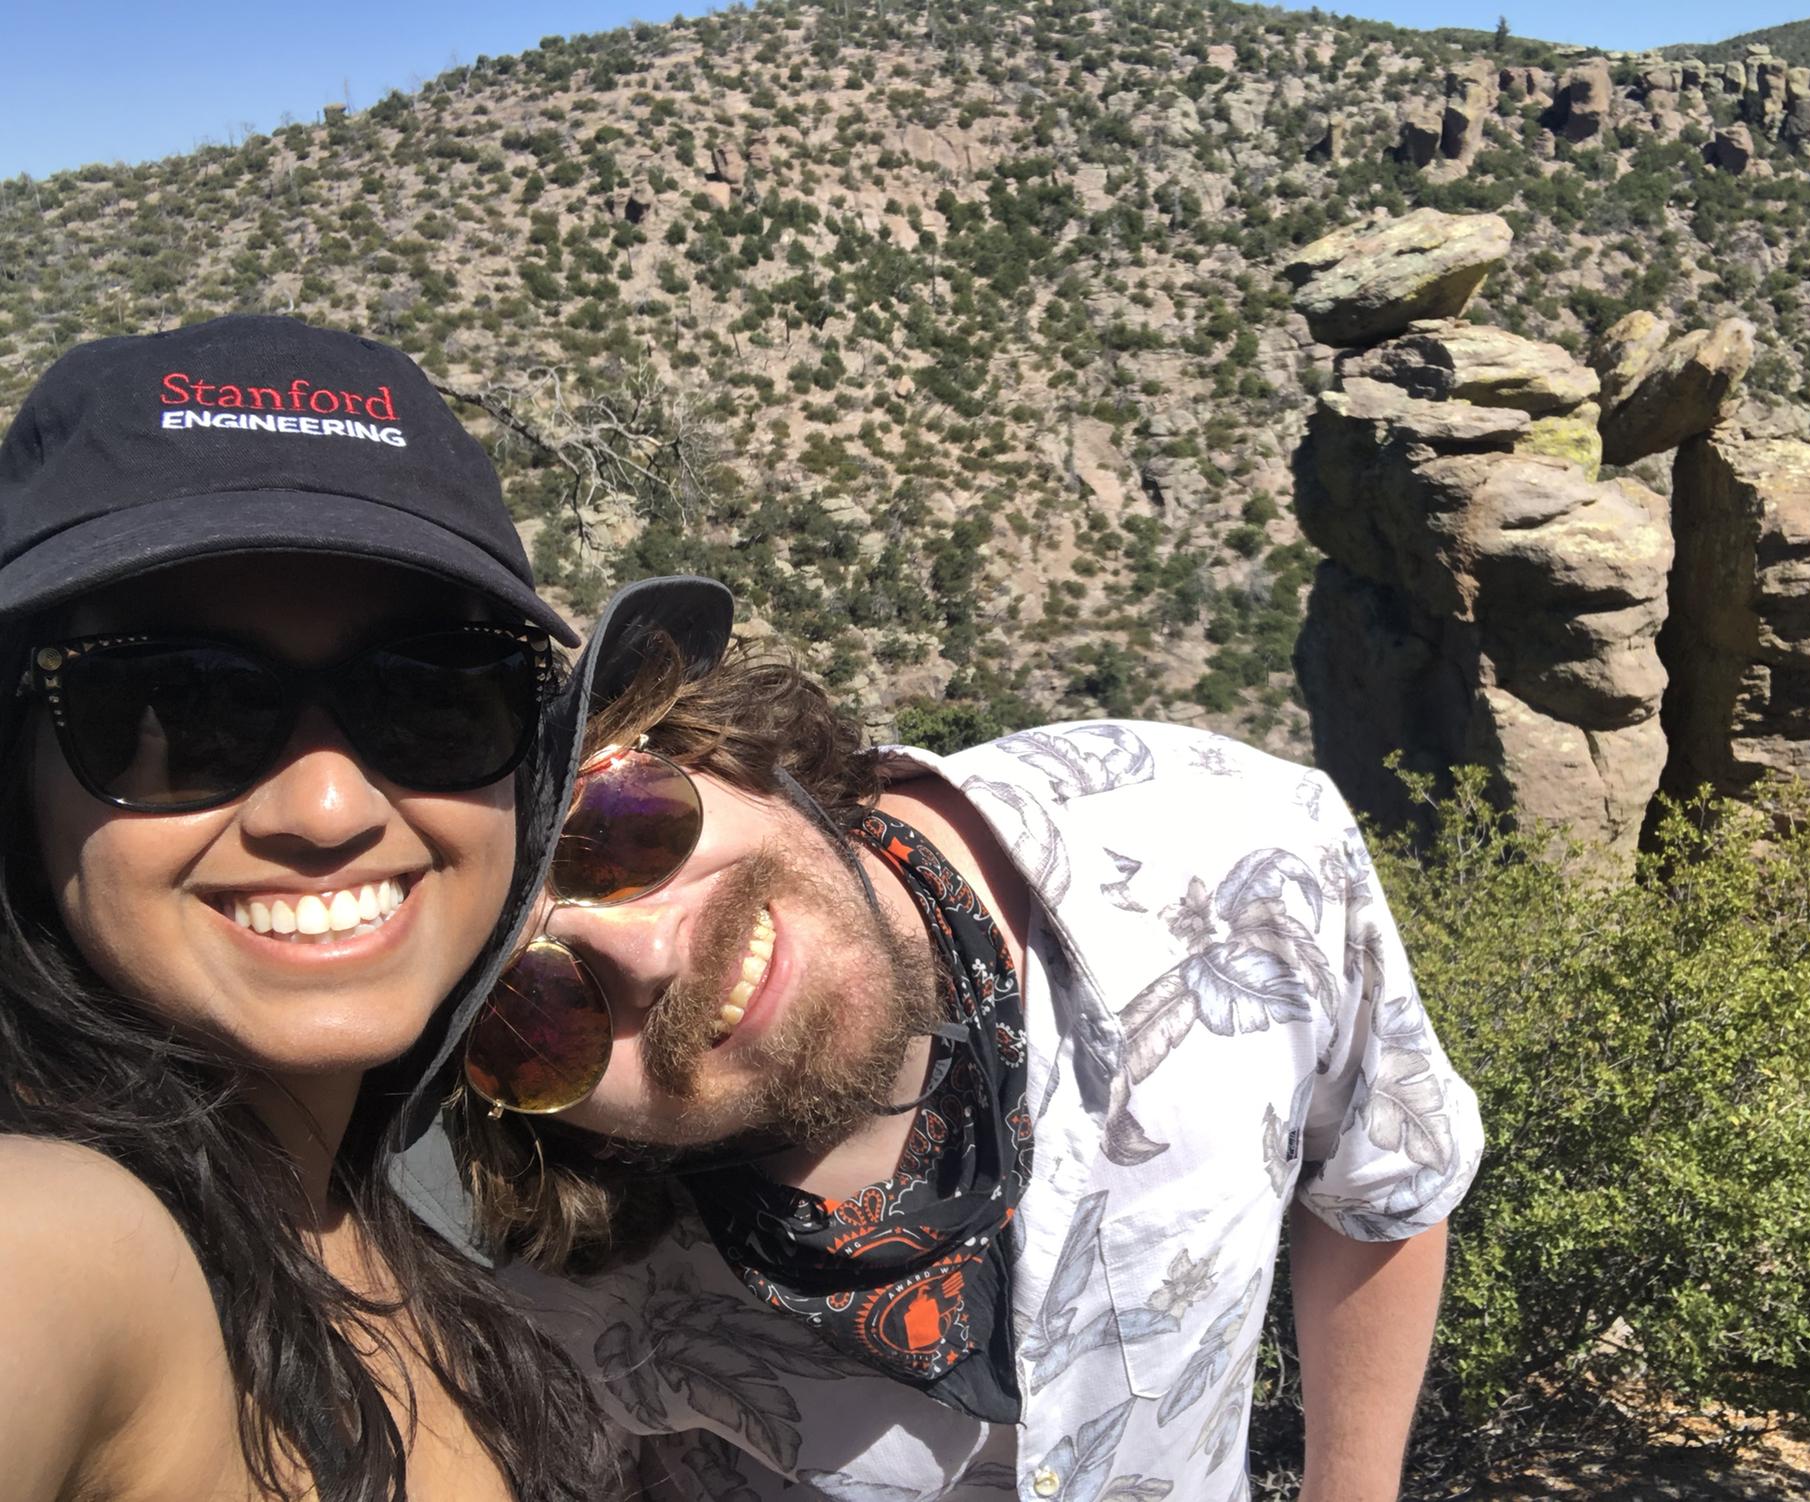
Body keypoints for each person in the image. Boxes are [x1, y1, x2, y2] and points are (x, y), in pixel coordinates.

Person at [404, 577, 1484, 1501]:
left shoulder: (1227, 845)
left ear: (702, 742)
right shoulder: (549, 1282)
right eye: (522, 1006)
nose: (645, 954)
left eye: (617, 825)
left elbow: (1381, 1178)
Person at [0, 314, 620, 1501]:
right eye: (179, 707)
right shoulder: (70, 1243)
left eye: (435, 693)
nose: (329, 805)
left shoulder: (401, 1213)